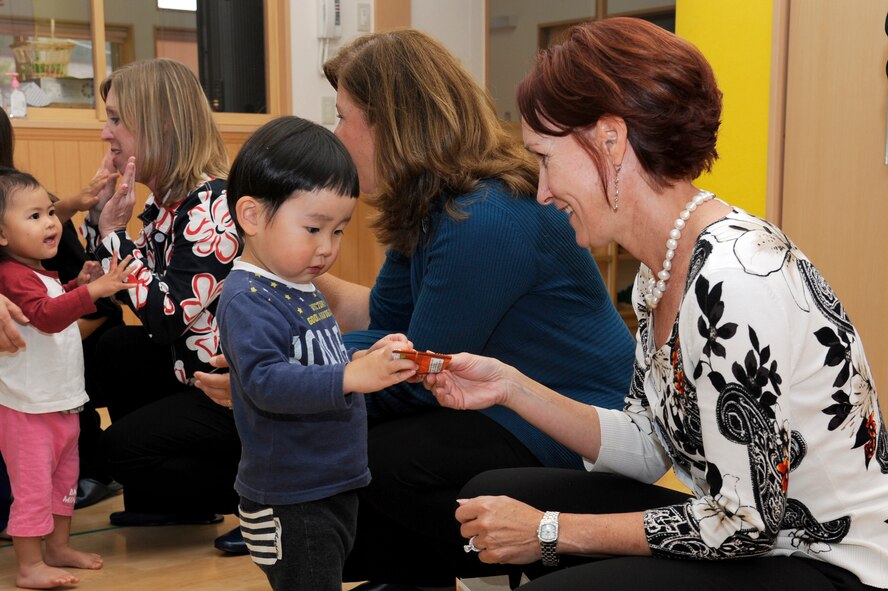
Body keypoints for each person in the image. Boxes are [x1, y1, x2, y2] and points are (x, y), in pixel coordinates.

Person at [422, 18, 888, 591]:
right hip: (754, 537)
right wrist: (510, 386)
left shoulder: (734, 284)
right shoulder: (663, 267)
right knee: (488, 489)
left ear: (610, 142)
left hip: (828, 563)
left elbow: (744, 524)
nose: (541, 191)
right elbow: (647, 446)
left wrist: (551, 530)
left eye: (545, 158)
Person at [199, 28, 636, 588]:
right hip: (502, 405)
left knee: (375, 457)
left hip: (575, 429)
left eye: (343, 116)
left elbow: (416, 370)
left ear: (389, 122)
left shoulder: (484, 216)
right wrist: (286, 273)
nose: (337, 134)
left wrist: (294, 376)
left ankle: (511, 565)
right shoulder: (438, 204)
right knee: (361, 443)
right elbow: (384, 323)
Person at [219, 115, 418, 591]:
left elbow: (317, 362)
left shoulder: (298, 283)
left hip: (328, 483)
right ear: (251, 216)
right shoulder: (249, 297)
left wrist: (368, 360)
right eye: (313, 228)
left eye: (338, 231)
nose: (327, 248)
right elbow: (267, 382)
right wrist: (350, 378)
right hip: (290, 497)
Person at [83, 58, 241, 526]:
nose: (105, 133)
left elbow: (167, 313)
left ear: (162, 126)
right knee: (115, 347)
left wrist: (114, 234)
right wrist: (102, 232)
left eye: (116, 119)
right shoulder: (167, 201)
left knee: (116, 451)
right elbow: (132, 294)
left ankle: (257, 498)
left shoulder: (213, 205)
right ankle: (164, 503)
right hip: (186, 368)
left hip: (229, 392)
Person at [0, 168, 132, 589]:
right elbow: (47, 317)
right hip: (28, 409)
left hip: (60, 402)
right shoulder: (11, 276)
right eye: (34, 216)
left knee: (63, 483)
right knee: (34, 489)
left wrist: (78, 283)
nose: (51, 222)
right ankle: (28, 565)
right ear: (2, 236)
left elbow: (52, 306)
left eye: (50, 212)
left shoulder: (38, 272)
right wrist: (90, 293)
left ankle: (56, 547)